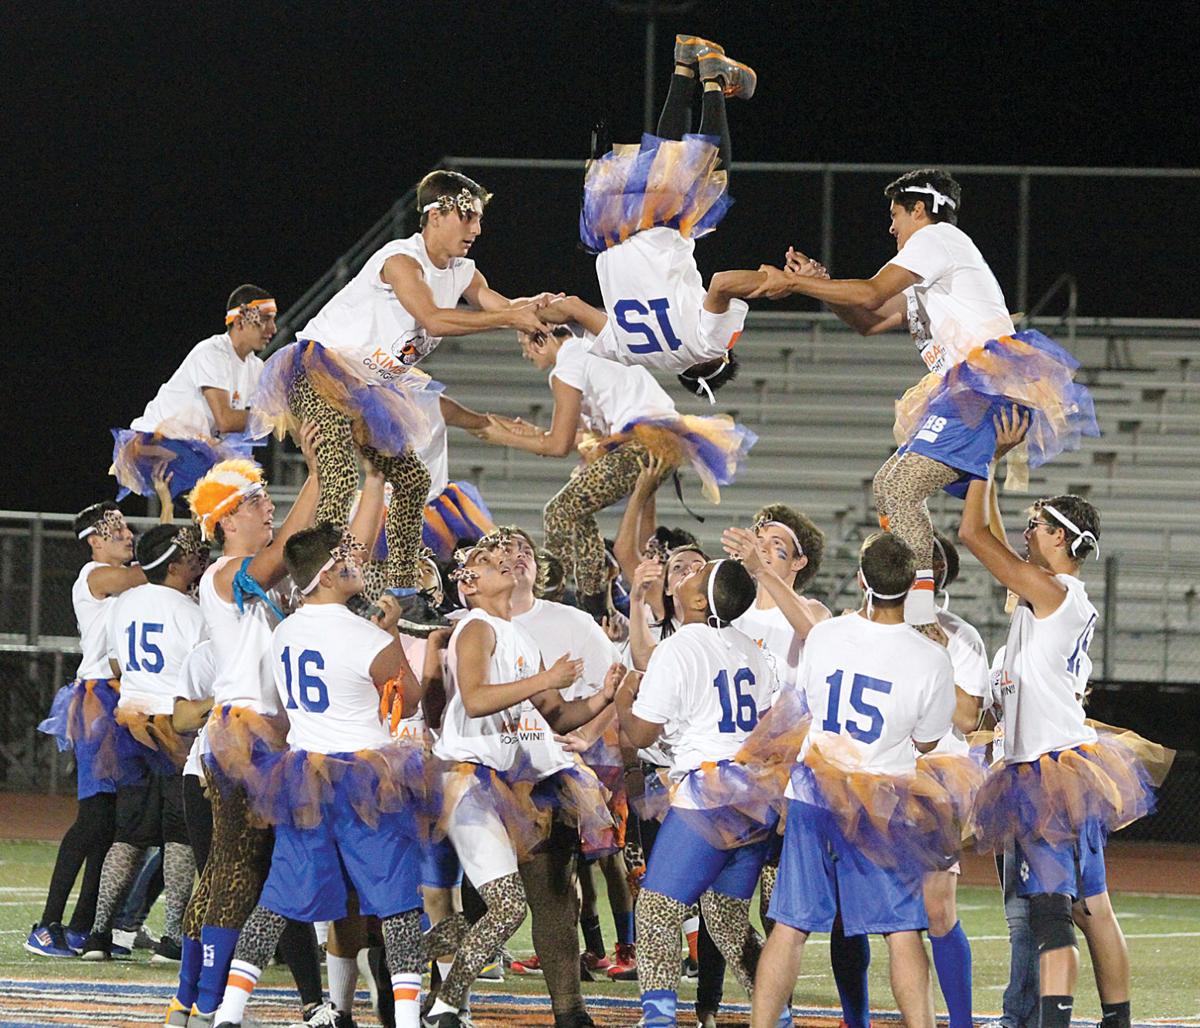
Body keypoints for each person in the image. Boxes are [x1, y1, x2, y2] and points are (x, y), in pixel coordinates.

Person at [753, 168, 1098, 632]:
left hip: (985, 388)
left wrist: (797, 284)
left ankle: (917, 617)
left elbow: (872, 291)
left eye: (896, 214)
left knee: (900, 489)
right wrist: (823, 282)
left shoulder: (938, 239)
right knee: (888, 484)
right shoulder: (929, 266)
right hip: (971, 390)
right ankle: (926, 602)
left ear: (920, 209)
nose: (891, 226)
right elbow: (868, 319)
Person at [958, 409, 1171, 1028]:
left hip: (1047, 770)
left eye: (1037, 528)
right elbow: (996, 536)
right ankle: (1117, 1020)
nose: (1026, 534)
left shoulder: (1053, 594)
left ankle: (1052, 1022)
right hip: (1066, 764)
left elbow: (975, 536)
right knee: (1091, 908)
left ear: (1062, 539)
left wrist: (986, 460)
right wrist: (995, 483)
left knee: (1052, 912)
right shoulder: (1054, 594)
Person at [249, 169, 550, 598]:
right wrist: (512, 318)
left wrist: (550, 309)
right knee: (336, 477)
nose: (477, 228)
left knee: (411, 479)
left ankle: (403, 592)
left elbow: (505, 306)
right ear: (436, 214)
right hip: (321, 370)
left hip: (368, 386)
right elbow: (434, 318)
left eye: (480, 219)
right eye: (468, 217)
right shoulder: (401, 261)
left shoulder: (464, 272)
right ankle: (315, 591)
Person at [207, 520, 427, 1028]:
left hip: (305, 775)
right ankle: (410, 1019)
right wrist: (391, 632)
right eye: (348, 554)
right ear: (327, 574)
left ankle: (229, 1012)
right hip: (368, 778)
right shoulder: (367, 636)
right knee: (395, 901)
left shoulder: (285, 629)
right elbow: (408, 702)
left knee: (279, 898)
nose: (359, 560)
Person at [750, 532, 963, 1028]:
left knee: (789, 928)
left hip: (815, 793)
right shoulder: (931, 658)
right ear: (913, 586)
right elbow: (930, 743)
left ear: (862, 581)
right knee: (903, 932)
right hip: (881, 799)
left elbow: (807, 702)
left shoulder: (827, 634)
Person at [542, 36, 819, 400]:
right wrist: (539, 311)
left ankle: (712, 79)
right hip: (605, 226)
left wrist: (781, 282)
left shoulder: (708, 347)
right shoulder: (627, 354)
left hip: (656, 229)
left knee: (711, 178)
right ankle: (683, 66)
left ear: (721, 357)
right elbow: (574, 307)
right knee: (664, 158)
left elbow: (722, 283)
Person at [427, 533, 621, 1028]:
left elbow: (555, 714)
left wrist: (602, 698)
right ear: (470, 585)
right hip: (471, 780)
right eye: (490, 560)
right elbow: (474, 699)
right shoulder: (474, 627)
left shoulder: (518, 635)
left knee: (553, 897)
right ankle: (441, 997)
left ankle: (568, 1010)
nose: (506, 562)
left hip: (523, 777)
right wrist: (545, 679)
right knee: (507, 906)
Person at [166, 432, 327, 1028]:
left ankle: (187, 1000)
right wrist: (316, 470)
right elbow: (288, 546)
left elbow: (298, 551)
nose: (269, 508)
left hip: (265, 736)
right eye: (258, 500)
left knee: (233, 869)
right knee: (238, 868)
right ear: (228, 518)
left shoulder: (256, 577)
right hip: (242, 735)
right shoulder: (225, 574)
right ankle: (208, 1005)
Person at [474, 325, 754, 618]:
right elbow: (583, 438)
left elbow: (557, 445)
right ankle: (594, 600)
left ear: (542, 339)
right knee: (577, 512)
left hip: (639, 445)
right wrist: (534, 434)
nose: (524, 353)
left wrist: (499, 435)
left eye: (525, 344)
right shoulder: (594, 351)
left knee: (558, 511)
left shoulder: (566, 368)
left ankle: (549, 592)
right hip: (658, 442)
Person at [616, 558, 782, 1028]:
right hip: (754, 796)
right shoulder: (751, 648)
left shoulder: (679, 647)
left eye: (693, 573)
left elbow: (643, 734)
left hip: (709, 794)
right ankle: (780, 1015)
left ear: (696, 599)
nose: (681, 575)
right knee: (729, 923)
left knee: (655, 912)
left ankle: (659, 1021)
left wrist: (623, 701)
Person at [500, 528, 636, 980]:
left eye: (526, 550)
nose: (518, 557)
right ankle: (569, 945)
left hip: (575, 755)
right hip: (510, 762)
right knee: (544, 865)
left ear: (537, 568)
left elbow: (614, 682)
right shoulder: (479, 625)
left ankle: (625, 946)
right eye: (507, 550)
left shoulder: (570, 620)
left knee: (602, 855)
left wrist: (589, 736)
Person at [78, 524, 209, 963]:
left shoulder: (125, 602)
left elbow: (115, 660)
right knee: (179, 836)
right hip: (176, 728)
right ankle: (172, 938)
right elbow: (206, 671)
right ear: (172, 565)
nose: (196, 559)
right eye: (188, 554)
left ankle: (99, 935)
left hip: (130, 725)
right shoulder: (191, 611)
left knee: (129, 835)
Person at [27, 503, 146, 958]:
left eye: (126, 528)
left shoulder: (119, 576)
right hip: (99, 700)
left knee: (113, 824)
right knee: (93, 818)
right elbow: (142, 577)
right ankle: (47, 924)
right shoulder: (95, 574)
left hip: (125, 696)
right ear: (94, 540)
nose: (127, 535)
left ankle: (83, 926)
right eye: (115, 530)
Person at [111, 285, 274, 502]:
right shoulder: (212, 353)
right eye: (264, 319)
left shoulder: (256, 367)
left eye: (273, 319)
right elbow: (226, 421)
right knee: (222, 499)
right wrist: (277, 417)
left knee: (246, 494)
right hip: (157, 444)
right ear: (238, 321)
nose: (272, 328)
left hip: (195, 448)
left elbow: (248, 426)